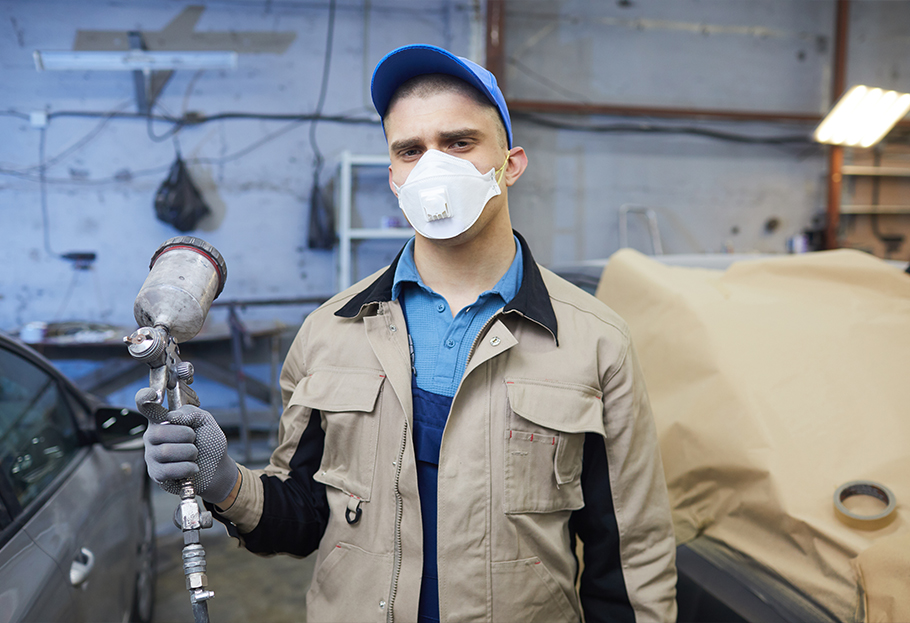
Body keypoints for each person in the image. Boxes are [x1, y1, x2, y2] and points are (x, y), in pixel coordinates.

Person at [140, 43, 677, 623]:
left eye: (459, 143)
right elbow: (304, 520)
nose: (434, 167)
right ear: (393, 176)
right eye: (411, 150)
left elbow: (628, 555)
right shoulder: (331, 332)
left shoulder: (594, 343)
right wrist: (224, 482)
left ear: (511, 163)